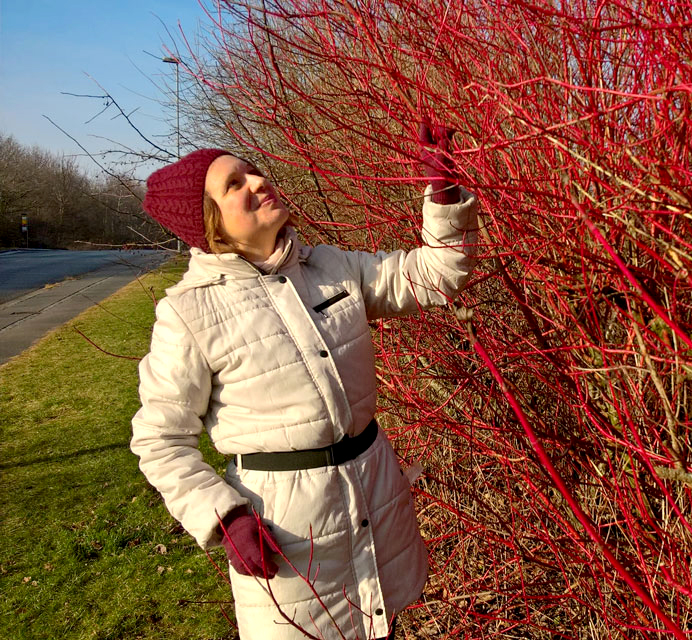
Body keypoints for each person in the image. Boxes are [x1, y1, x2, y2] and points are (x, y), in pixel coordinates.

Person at [131, 124, 478, 640]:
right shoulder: (189, 312)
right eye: (233, 184)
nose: (256, 182)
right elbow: (160, 440)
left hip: (375, 503)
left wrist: (444, 193)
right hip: (290, 538)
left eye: (253, 170)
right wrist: (225, 518)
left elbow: (437, 273)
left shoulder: (331, 267)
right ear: (211, 225)